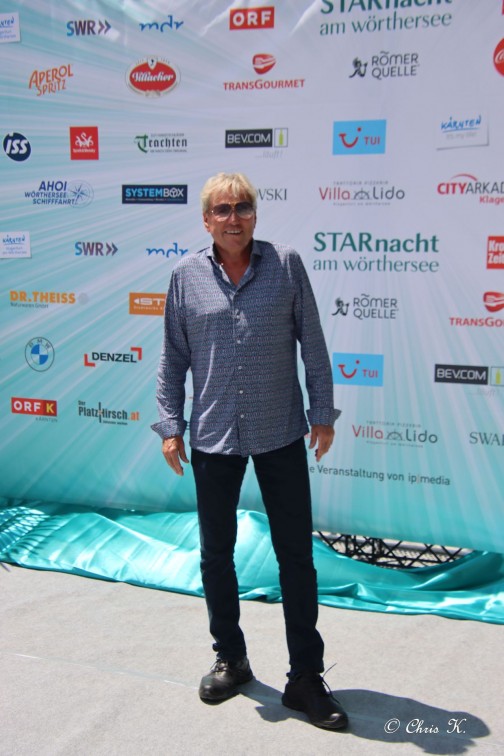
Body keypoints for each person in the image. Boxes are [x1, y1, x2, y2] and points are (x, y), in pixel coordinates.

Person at [152, 172, 348, 731]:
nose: (232, 217)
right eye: (221, 209)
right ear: (206, 220)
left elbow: (313, 343)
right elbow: (172, 358)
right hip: (213, 436)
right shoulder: (185, 276)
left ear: (255, 215)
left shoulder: (286, 265)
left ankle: (305, 677)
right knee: (216, 556)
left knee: (296, 557)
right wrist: (171, 426)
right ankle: (231, 659)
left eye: (242, 207)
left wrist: (322, 412)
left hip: (281, 431)